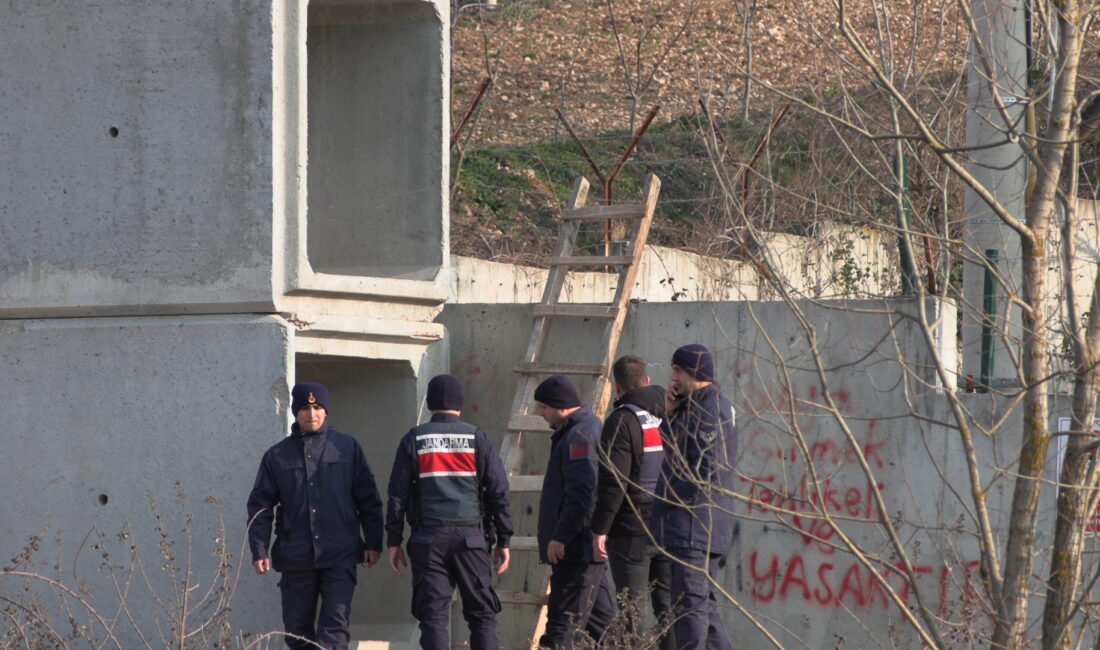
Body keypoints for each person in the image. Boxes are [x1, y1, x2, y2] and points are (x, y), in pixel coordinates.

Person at [247, 382, 384, 650]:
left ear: (326, 411)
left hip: (340, 554)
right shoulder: (277, 456)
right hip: (296, 557)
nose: (312, 414)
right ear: (295, 412)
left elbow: (368, 499)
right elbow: (261, 506)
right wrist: (259, 549)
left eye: (318, 407)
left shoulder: (347, 448)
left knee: (334, 632)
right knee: (298, 634)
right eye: (305, 408)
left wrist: (373, 542)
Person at [385, 374, 513, 650]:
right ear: (460, 403)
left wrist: (393, 541)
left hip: (428, 541)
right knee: (482, 616)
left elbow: (397, 495)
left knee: (433, 617)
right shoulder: (477, 438)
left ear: (430, 403)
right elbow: (499, 491)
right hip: (472, 541)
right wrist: (504, 539)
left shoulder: (414, 439)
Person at [650, 344, 737, 650]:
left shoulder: (709, 408)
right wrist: (671, 413)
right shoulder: (695, 405)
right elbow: (674, 449)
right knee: (704, 607)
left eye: (678, 370)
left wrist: (672, 500)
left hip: (693, 526)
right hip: (697, 525)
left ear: (693, 372)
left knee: (691, 609)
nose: (673, 377)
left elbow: (707, 469)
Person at [591, 356, 674, 650]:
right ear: (647, 381)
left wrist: (600, 528)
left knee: (631, 615)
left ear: (618, 387)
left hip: (631, 531)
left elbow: (614, 483)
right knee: (669, 613)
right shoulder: (670, 415)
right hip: (668, 527)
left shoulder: (622, 421)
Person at [534, 375, 615, 649]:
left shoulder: (579, 436)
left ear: (560, 405)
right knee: (604, 630)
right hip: (584, 550)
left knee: (562, 628)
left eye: (543, 407)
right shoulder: (579, 431)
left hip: (577, 549)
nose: (540, 413)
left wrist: (561, 536)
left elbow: (582, 493)